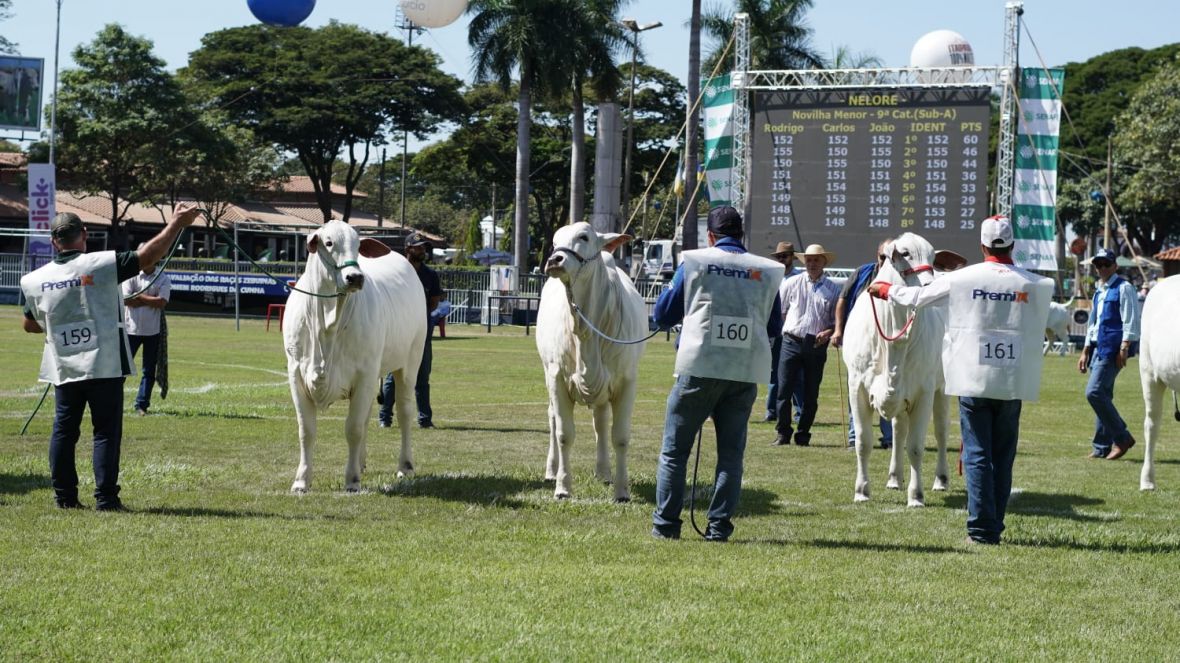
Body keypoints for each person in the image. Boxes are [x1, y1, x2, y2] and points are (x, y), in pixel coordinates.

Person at [868, 215, 1052, 545]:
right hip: (1011, 381)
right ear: (1012, 244)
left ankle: (982, 529)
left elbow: (918, 298)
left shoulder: (964, 279)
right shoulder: (1033, 284)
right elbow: (1048, 319)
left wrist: (885, 289)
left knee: (978, 453)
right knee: (1003, 454)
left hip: (973, 378)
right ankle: (995, 522)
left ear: (982, 246)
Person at [20, 205, 202, 511]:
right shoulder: (102, 263)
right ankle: (106, 499)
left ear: (54, 242)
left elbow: (29, 324)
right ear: (85, 235)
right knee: (105, 431)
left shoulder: (34, 280)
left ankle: (64, 497)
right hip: (104, 362)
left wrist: (62, 323)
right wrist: (176, 224)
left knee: (64, 430)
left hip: (64, 365)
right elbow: (147, 258)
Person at [650, 206, 783, 541]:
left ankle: (666, 526)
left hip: (698, 366)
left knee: (674, 452)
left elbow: (663, 315)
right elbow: (774, 325)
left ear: (710, 236)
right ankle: (719, 527)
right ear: (741, 234)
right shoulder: (766, 270)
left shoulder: (695, 262)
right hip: (743, 370)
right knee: (731, 456)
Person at [774, 243, 840, 446]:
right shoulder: (791, 283)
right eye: (809, 260)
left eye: (816, 260)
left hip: (816, 345)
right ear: (804, 262)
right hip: (791, 340)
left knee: (811, 393)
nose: (812, 263)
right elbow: (781, 311)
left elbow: (835, 322)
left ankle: (803, 434)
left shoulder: (833, 289)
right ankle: (783, 433)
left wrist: (828, 333)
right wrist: (791, 329)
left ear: (824, 262)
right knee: (783, 390)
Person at [1078, 247, 1140, 460]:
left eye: (1106, 264)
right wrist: (1085, 350)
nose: (1102, 268)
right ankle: (1101, 446)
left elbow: (1131, 319)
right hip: (1097, 347)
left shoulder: (1124, 288)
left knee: (1093, 392)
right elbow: (1093, 323)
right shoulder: (1100, 290)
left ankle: (1122, 437)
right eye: (1098, 264)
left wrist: (1124, 347)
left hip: (1113, 348)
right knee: (1103, 395)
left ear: (1115, 266)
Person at [831, 241, 894, 449]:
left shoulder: (900, 278)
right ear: (877, 255)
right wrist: (839, 330)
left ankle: (889, 438)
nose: (886, 262)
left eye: (890, 258)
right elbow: (842, 299)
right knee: (856, 388)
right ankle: (854, 437)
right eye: (882, 257)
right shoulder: (862, 273)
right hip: (860, 343)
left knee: (889, 390)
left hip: (888, 343)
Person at [379, 232, 444, 429]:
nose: (422, 250)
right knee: (392, 376)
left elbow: (433, 303)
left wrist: (416, 317)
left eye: (424, 247)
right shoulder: (396, 273)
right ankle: (385, 418)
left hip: (420, 333)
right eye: (418, 247)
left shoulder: (430, 275)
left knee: (422, 376)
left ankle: (424, 419)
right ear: (408, 249)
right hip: (398, 331)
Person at [121, 247, 171, 416]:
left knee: (148, 371)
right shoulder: (131, 275)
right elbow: (126, 299)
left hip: (152, 331)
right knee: (121, 369)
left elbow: (162, 303)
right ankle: (113, 402)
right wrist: (151, 300)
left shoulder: (163, 278)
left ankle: (141, 405)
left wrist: (139, 296)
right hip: (131, 330)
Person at [764, 241, 804, 423]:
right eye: (779, 256)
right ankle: (771, 411)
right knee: (773, 373)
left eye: (784, 256)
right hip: (774, 330)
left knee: (796, 374)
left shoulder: (800, 278)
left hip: (792, 331)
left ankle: (799, 411)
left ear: (792, 257)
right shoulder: (771, 276)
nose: (781, 259)